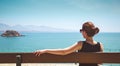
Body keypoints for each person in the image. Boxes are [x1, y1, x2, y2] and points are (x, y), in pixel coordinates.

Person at [34, 21, 104, 66]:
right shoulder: (100, 45)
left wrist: (46, 50)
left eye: (81, 31)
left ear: (85, 32)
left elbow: (64, 51)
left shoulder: (80, 44)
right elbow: (100, 63)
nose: (81, 33)